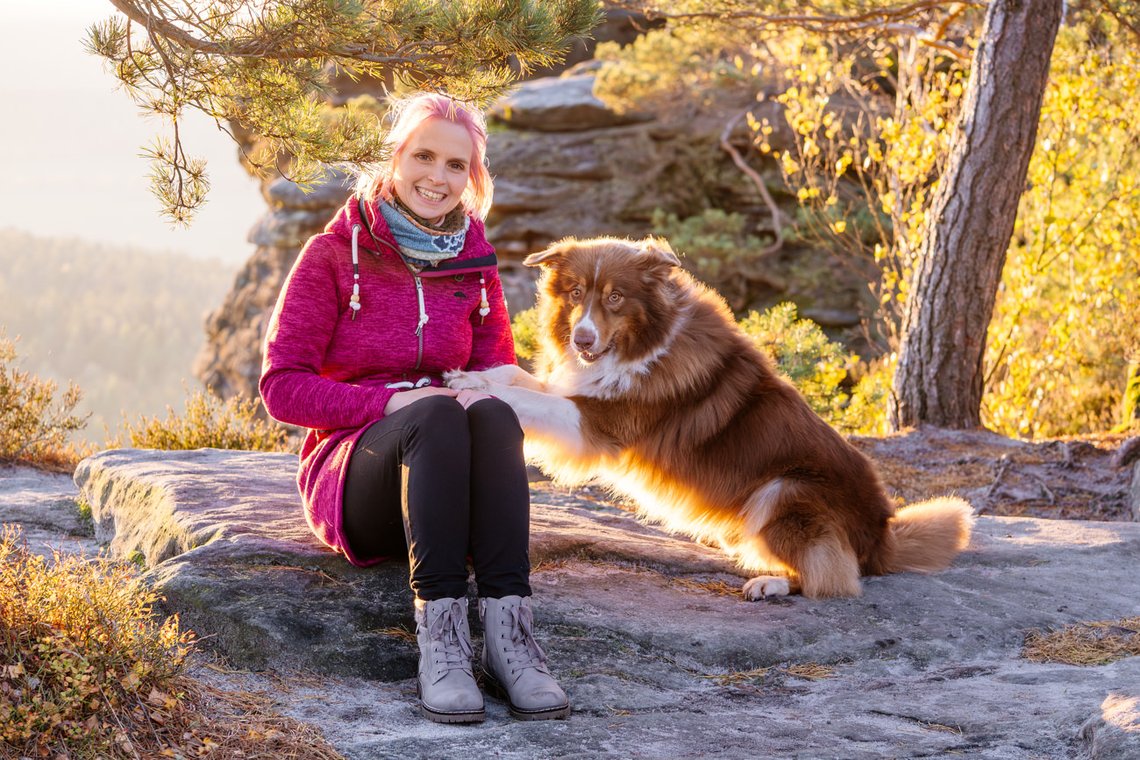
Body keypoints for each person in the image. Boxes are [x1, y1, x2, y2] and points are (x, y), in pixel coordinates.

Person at [259, 92, 569, 724]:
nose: (438, 176)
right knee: (434, 415)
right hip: (358, 474)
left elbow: (491, 371)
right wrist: (394, 400)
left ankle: (512, 640)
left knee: (489, 413)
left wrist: (499, 383)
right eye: (423, 156)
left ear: (472, 177)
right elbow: (281, 386)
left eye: (456, 165)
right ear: (394, 158)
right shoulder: (331, 255)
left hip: (455, 480)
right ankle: (444, 647)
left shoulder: (474, 263)